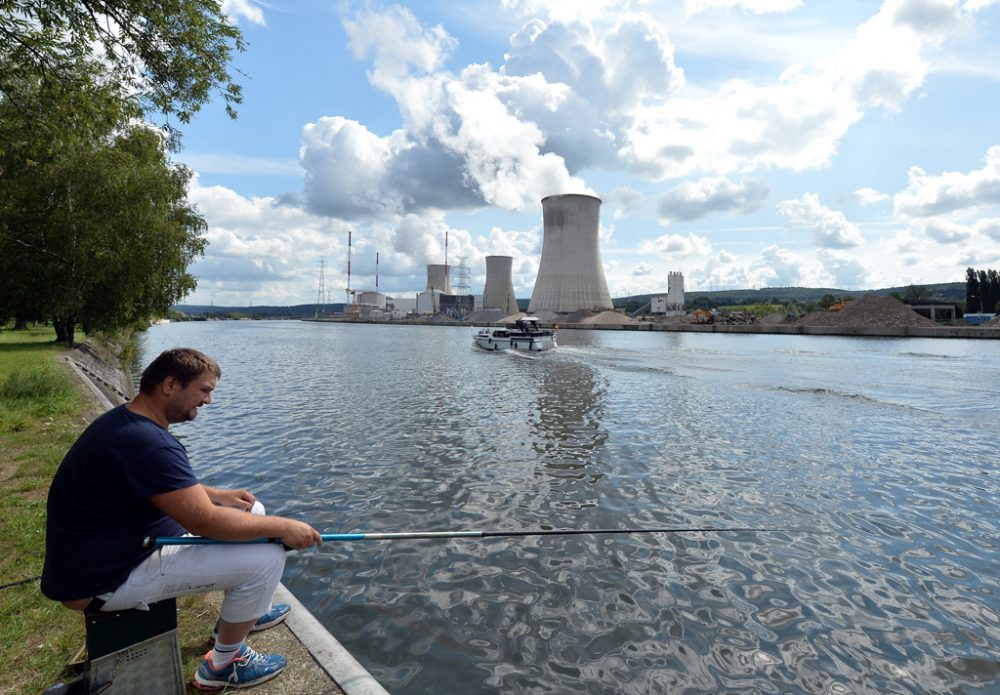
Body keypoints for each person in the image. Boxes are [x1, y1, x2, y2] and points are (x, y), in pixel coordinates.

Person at [41, 348, 322, 691]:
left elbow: (156, 484)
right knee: (267, 558)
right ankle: (223, 665)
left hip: (116, 553)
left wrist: (215, 493)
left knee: (252, 510)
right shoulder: (149, 442)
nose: (208, 401)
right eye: (204, 390)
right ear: (171, 384)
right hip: (104, 580)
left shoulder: (127, 422)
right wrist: (285, 527)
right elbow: (205, 523)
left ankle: (241, 614)